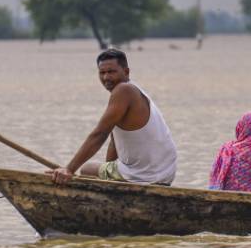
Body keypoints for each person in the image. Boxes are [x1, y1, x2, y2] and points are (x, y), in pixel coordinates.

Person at [47, 48, 177, 185]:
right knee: (103, 169)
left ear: (126, 72)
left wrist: (68, 169)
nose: (106, 78)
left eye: (111, 72)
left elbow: (99, 134)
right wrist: (107, 178)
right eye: (102, 73)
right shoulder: (134, 90)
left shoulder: (123, 90)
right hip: (164, 174)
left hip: (145, 175)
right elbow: (113, 141)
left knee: (87, 169)